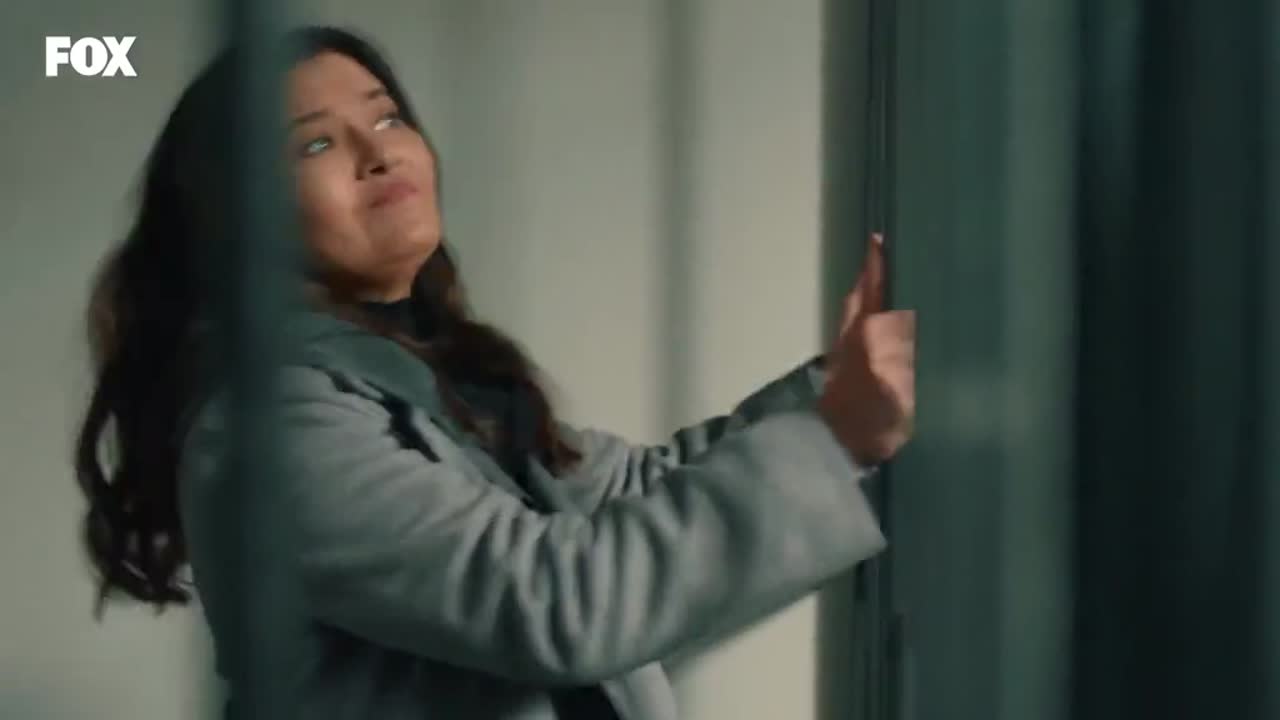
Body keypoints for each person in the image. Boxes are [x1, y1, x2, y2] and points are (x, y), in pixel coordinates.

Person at [74, 25, 915, 720]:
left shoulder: (423, 382)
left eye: (388, 117)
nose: (378, 152)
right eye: (317, 143)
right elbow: (559, 602)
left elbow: (637, 492)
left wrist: (835, 395)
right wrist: (835, 436)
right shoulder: (272, 429)